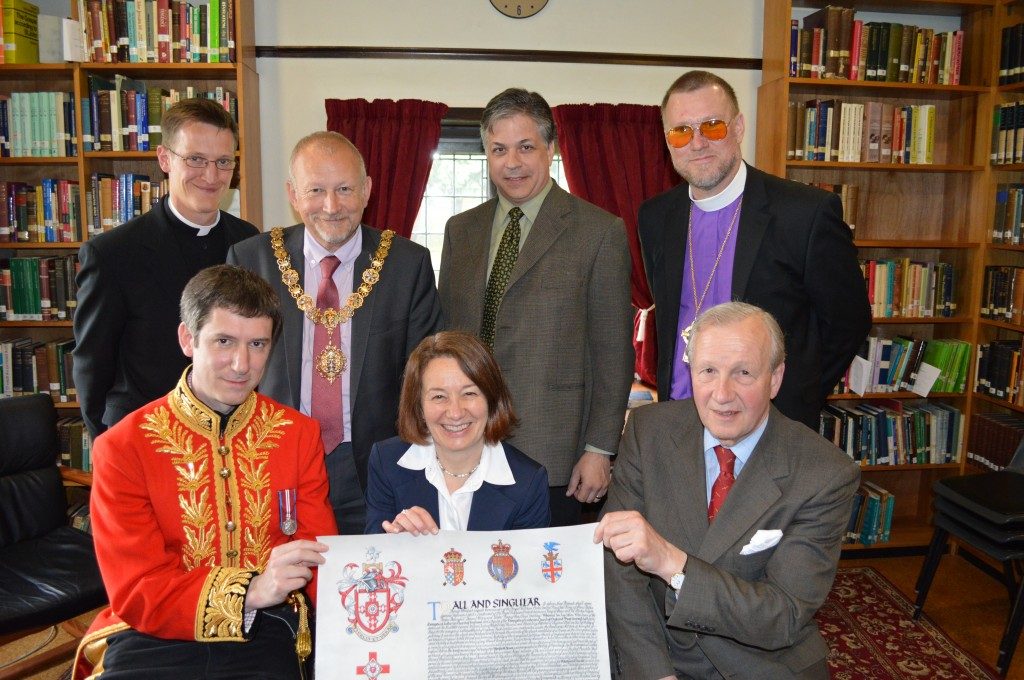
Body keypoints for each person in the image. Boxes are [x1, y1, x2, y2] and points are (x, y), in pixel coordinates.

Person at [72, 265, 338, 680]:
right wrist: (248, 590)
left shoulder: (298, 435)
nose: (241, 363)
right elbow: (137, 588)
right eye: (224, 341)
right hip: (154, 631)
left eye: (257, 344)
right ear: (187, 339)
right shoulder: (123, 448)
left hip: (269, 626)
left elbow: (321, 556)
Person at [595, 301, 860, 680]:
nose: (721, 394)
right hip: (656, 649)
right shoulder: (648, 431)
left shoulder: (824, 473)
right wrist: (654, 673)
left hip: (759, 662)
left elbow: (783, 615)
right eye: (708, 371)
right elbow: (618, 572)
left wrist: (674, 564)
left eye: (744, 373)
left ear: (775, 378)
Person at [228, 131, 443, 534]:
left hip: (373, 465)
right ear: (293, 194)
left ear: (367, 190)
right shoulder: (251, 259)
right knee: (288, 583)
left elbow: (427, 374)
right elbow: (230, 367)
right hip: (276, 460)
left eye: (344, 189)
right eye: (316, 190)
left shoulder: (406, 264)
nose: (331, 206)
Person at [439, 87, 633, 527]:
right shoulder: (460, 232)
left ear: (551, 149)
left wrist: (599, 449)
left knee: (547, 586)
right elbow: (446, 342)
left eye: (526, 147)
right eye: (499, 149)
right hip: (467, 442)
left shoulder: (598, 232)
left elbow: (613, 353)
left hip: (556, 453)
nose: (512, 162)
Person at [639, 70, 871, 431]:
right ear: (667, 142)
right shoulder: (654, 217)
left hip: (771, 424)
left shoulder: (804, 213)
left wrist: (793, 394)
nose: (697, 143)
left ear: (739, 127)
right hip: (681, 420)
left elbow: (847, 322)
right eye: (681, 131)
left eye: (712, 126)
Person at [73, 97, 260, 439]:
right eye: (195, 160)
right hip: (145, 436)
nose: (211, 176)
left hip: (229, 437)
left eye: (223, 162)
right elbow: (91, 369)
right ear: (165, 159)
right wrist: (109, 448)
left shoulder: (249, 243)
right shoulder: (112, 253)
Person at [365, 331, 550, 534]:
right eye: (438, 397)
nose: (455, 413)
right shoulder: (387, 463)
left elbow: (525, 564)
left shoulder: (528, 481)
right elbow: (375, 555)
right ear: (418, 406)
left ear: (492, 400)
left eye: (469, 393)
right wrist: (396, 543)